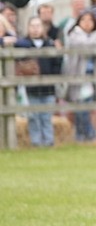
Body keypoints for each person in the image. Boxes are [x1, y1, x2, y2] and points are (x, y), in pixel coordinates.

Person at [63, 9, 96, 142]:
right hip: (78, 75)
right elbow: (82, 45)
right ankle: (88, 134)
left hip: (93, 77)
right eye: (84, 20)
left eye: (90, 20)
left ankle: (83, 135)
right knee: (82, 105)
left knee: (87, 106)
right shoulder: (74, 35)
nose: (87, 23)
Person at [17, 16, 62, 147]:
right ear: (28, 28)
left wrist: (53, 77)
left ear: (43, 28)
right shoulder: (23, 45)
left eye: (38, 26)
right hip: (31, 88)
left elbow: (57, 64)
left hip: (48, 87)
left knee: (46, 116)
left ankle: (48, 141)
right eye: (32, 26)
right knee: (33, 117)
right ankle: (36, 142)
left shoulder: (50, 44)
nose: (35, 29)